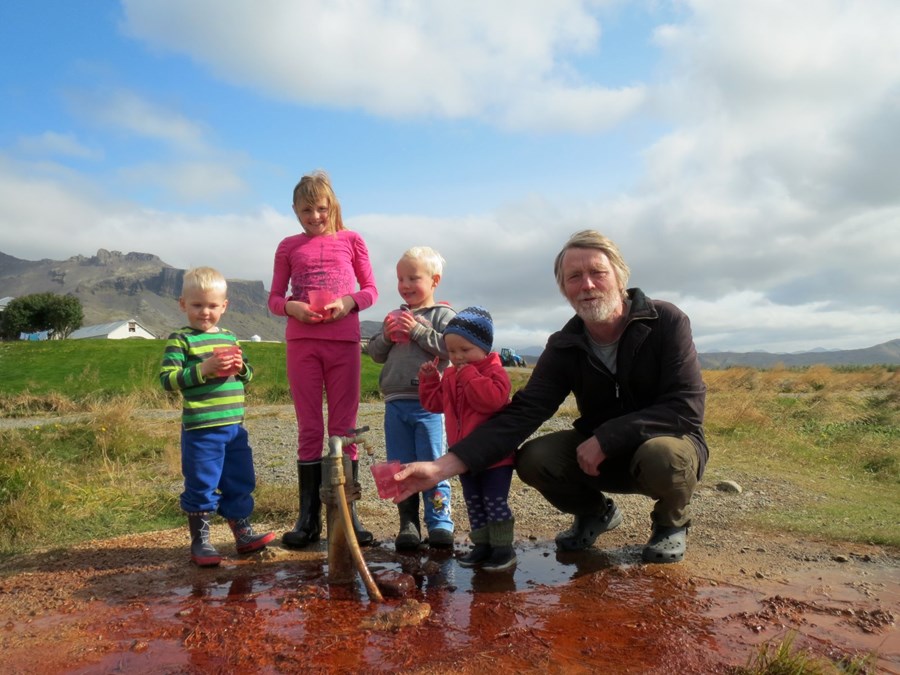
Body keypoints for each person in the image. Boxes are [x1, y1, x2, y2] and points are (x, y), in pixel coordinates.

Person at [393, 230, 707, 564]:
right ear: (564, 288)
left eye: (597, 273)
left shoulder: (665, 321)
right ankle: (595, 513)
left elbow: (685, 406)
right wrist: (441, 468)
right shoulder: (565, 344)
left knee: (664, 455)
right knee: (534, 458)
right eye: (574, 277)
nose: (586, 284)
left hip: (663, 442)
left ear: (619, 276)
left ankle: (669, 524)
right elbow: (523, 413)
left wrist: (607, 437)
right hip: (598, 454)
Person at [268, 170, 378, 549]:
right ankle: (308, 519)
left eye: (321, 209)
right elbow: (274, 299)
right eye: (306, 211)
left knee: (343, 430)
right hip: (302, 344)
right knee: (310, 429)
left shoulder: (352, 240)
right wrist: (292, 308)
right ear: (295, 211)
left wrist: (348, 302)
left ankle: (347, 516)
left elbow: (370, 290)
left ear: (332, 207)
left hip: (344, 343)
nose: (314, 216)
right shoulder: (287, 246)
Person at [160, 266, 275, 567]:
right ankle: (201, 541)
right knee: (201, 482)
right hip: (202, 429)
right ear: (183, 304)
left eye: (212, 306)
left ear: (224, 306)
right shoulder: (180, 339)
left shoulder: (229, 336)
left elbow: (247, 375)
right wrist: (204, 369)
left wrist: (241, 367)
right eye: (197, 305)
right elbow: (168, 380)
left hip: (234, 428)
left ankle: (242, 533)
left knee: (240, 478)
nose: (205, 312)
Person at [367, 246, 456, 550]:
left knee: (432, 463)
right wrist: (387, 336)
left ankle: (440, 523)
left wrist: (418, 331)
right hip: (395, 402)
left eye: (413, 278)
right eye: (400, 279)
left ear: (434, 280)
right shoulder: (394, 316)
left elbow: (451, 348)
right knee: (400, 466)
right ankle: (408, 524)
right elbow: (376, 354)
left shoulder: (443, 315)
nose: (405, 285)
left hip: (430, 404)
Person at [418, 306, 516, 572]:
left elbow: (491, 402)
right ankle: (482, 546)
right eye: (451, 352)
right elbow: (436, 404)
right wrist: (429, 381)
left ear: (484, 347)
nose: (457, 357)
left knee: (494, 501)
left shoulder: (494, 373)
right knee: (474, 501)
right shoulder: (451, 374)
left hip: (496, 457)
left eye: (465, 350)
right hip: (463, 455)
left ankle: (503, 549)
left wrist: (470, 376)